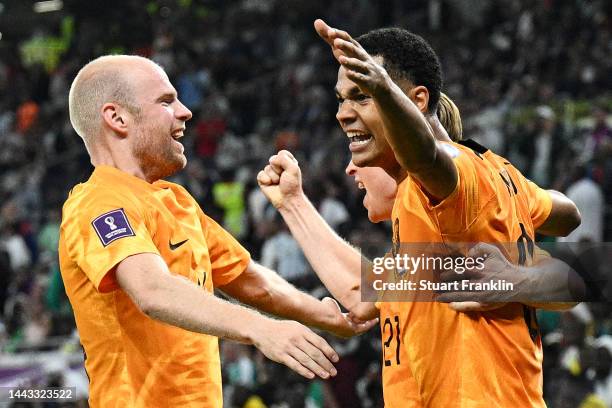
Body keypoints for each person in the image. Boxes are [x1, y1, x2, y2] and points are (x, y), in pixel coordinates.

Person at [258, 20, 582, 407]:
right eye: (342, 99)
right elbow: (362, 293)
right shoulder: (468, 196)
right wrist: (293, 203)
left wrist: (384, 89)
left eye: (361, 96)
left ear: (417, 101)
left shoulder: (449, 175)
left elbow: (428, 155)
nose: (343, 113)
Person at [59, 55, 376, 408]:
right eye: (166, 101)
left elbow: (254, 281)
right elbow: (151, 289)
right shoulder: (98, 203)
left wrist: (331, 317)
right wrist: (261, 329)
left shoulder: (176, 200)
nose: (185, 111)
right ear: (117, 118)